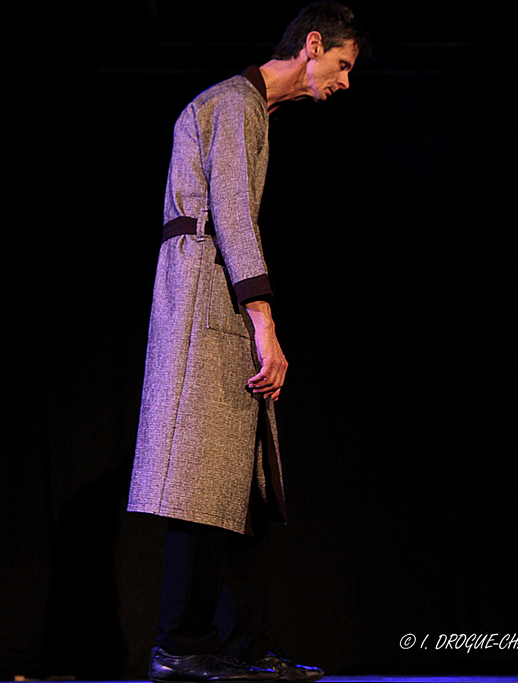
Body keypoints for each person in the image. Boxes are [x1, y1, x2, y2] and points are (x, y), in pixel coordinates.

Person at [127, 3, 369, 682]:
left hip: (211, 289)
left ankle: (242, 642)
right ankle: (182, 642)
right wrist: (264, 320)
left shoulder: (251, 111)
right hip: (207, 290)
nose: (345, 81)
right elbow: (231, 209)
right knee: (205, 477)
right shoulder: (235, 102)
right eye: (343, 64)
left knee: (243, 480)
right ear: (313, 44)